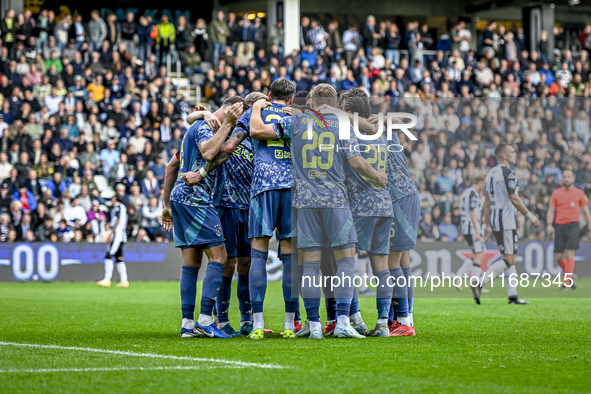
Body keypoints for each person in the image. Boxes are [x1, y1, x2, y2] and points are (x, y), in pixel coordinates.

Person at [251, 83, 387, 339]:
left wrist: (265, 108)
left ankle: (314, 325)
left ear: (311, 102)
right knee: (345, 261)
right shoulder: (341, 125)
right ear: (334, 104)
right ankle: (344, 321)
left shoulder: (296, 123)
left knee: (310, 265)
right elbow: (356, 161)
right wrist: (377, 176)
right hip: (336, 200)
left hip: (305, 202)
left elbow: (259, 132)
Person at [161, 97, 245, 339]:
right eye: (237, 117)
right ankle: (206, 320)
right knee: (220, 256)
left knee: (191, 261)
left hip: (180, 197)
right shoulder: (206, 127)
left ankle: (187, 324)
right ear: (230, 111)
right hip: (195, 197)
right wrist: (228, 124)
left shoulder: (197, 125)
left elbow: (170, 167)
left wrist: (167, 205)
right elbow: (208, 152)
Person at [476, 144, 540, 304]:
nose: (515, 154)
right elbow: (514, 198)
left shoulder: (490, 174)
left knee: (508, 256)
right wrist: (531, 217)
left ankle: (513, 295)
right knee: (510, 259)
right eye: (512, 151)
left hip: (496, 222)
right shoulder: (508, 173)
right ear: (504, 155)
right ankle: (480, 282)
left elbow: (487, 202)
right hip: (506, 221)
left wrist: (488, 225)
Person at [546, 169, 591, 290]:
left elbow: (586, 212)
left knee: (570, 252)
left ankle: (565, 283)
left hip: (573, 225)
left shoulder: (580, 193)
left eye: (569, 177)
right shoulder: (556, 193)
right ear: (562, 179)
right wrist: (549, 224)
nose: (566, 179)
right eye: (565, 177)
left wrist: (589, 228)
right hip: (559, 225)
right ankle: (570, 275)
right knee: (559, 257)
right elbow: (551, 210)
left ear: (573, 179)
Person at [455, 174, 486, 296]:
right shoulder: (473, 194)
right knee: (479, 255)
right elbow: (472, 212)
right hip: (472, 228)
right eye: (484, 183)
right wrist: (477, 231)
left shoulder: (466, 192)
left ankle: (462, 276)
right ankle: (474, 283)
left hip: (466, 226)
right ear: (479, 181)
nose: (484, 186)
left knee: (478, 254)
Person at [97, 195, 129, 288]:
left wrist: (112, 232)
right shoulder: (122, 207)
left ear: (115, 198)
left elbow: (117, 220)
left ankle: (107, 279)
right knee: (119, 258)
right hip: (121, 235)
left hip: (118, 234)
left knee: (109, 255)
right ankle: (124, 280)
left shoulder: (118, 207)